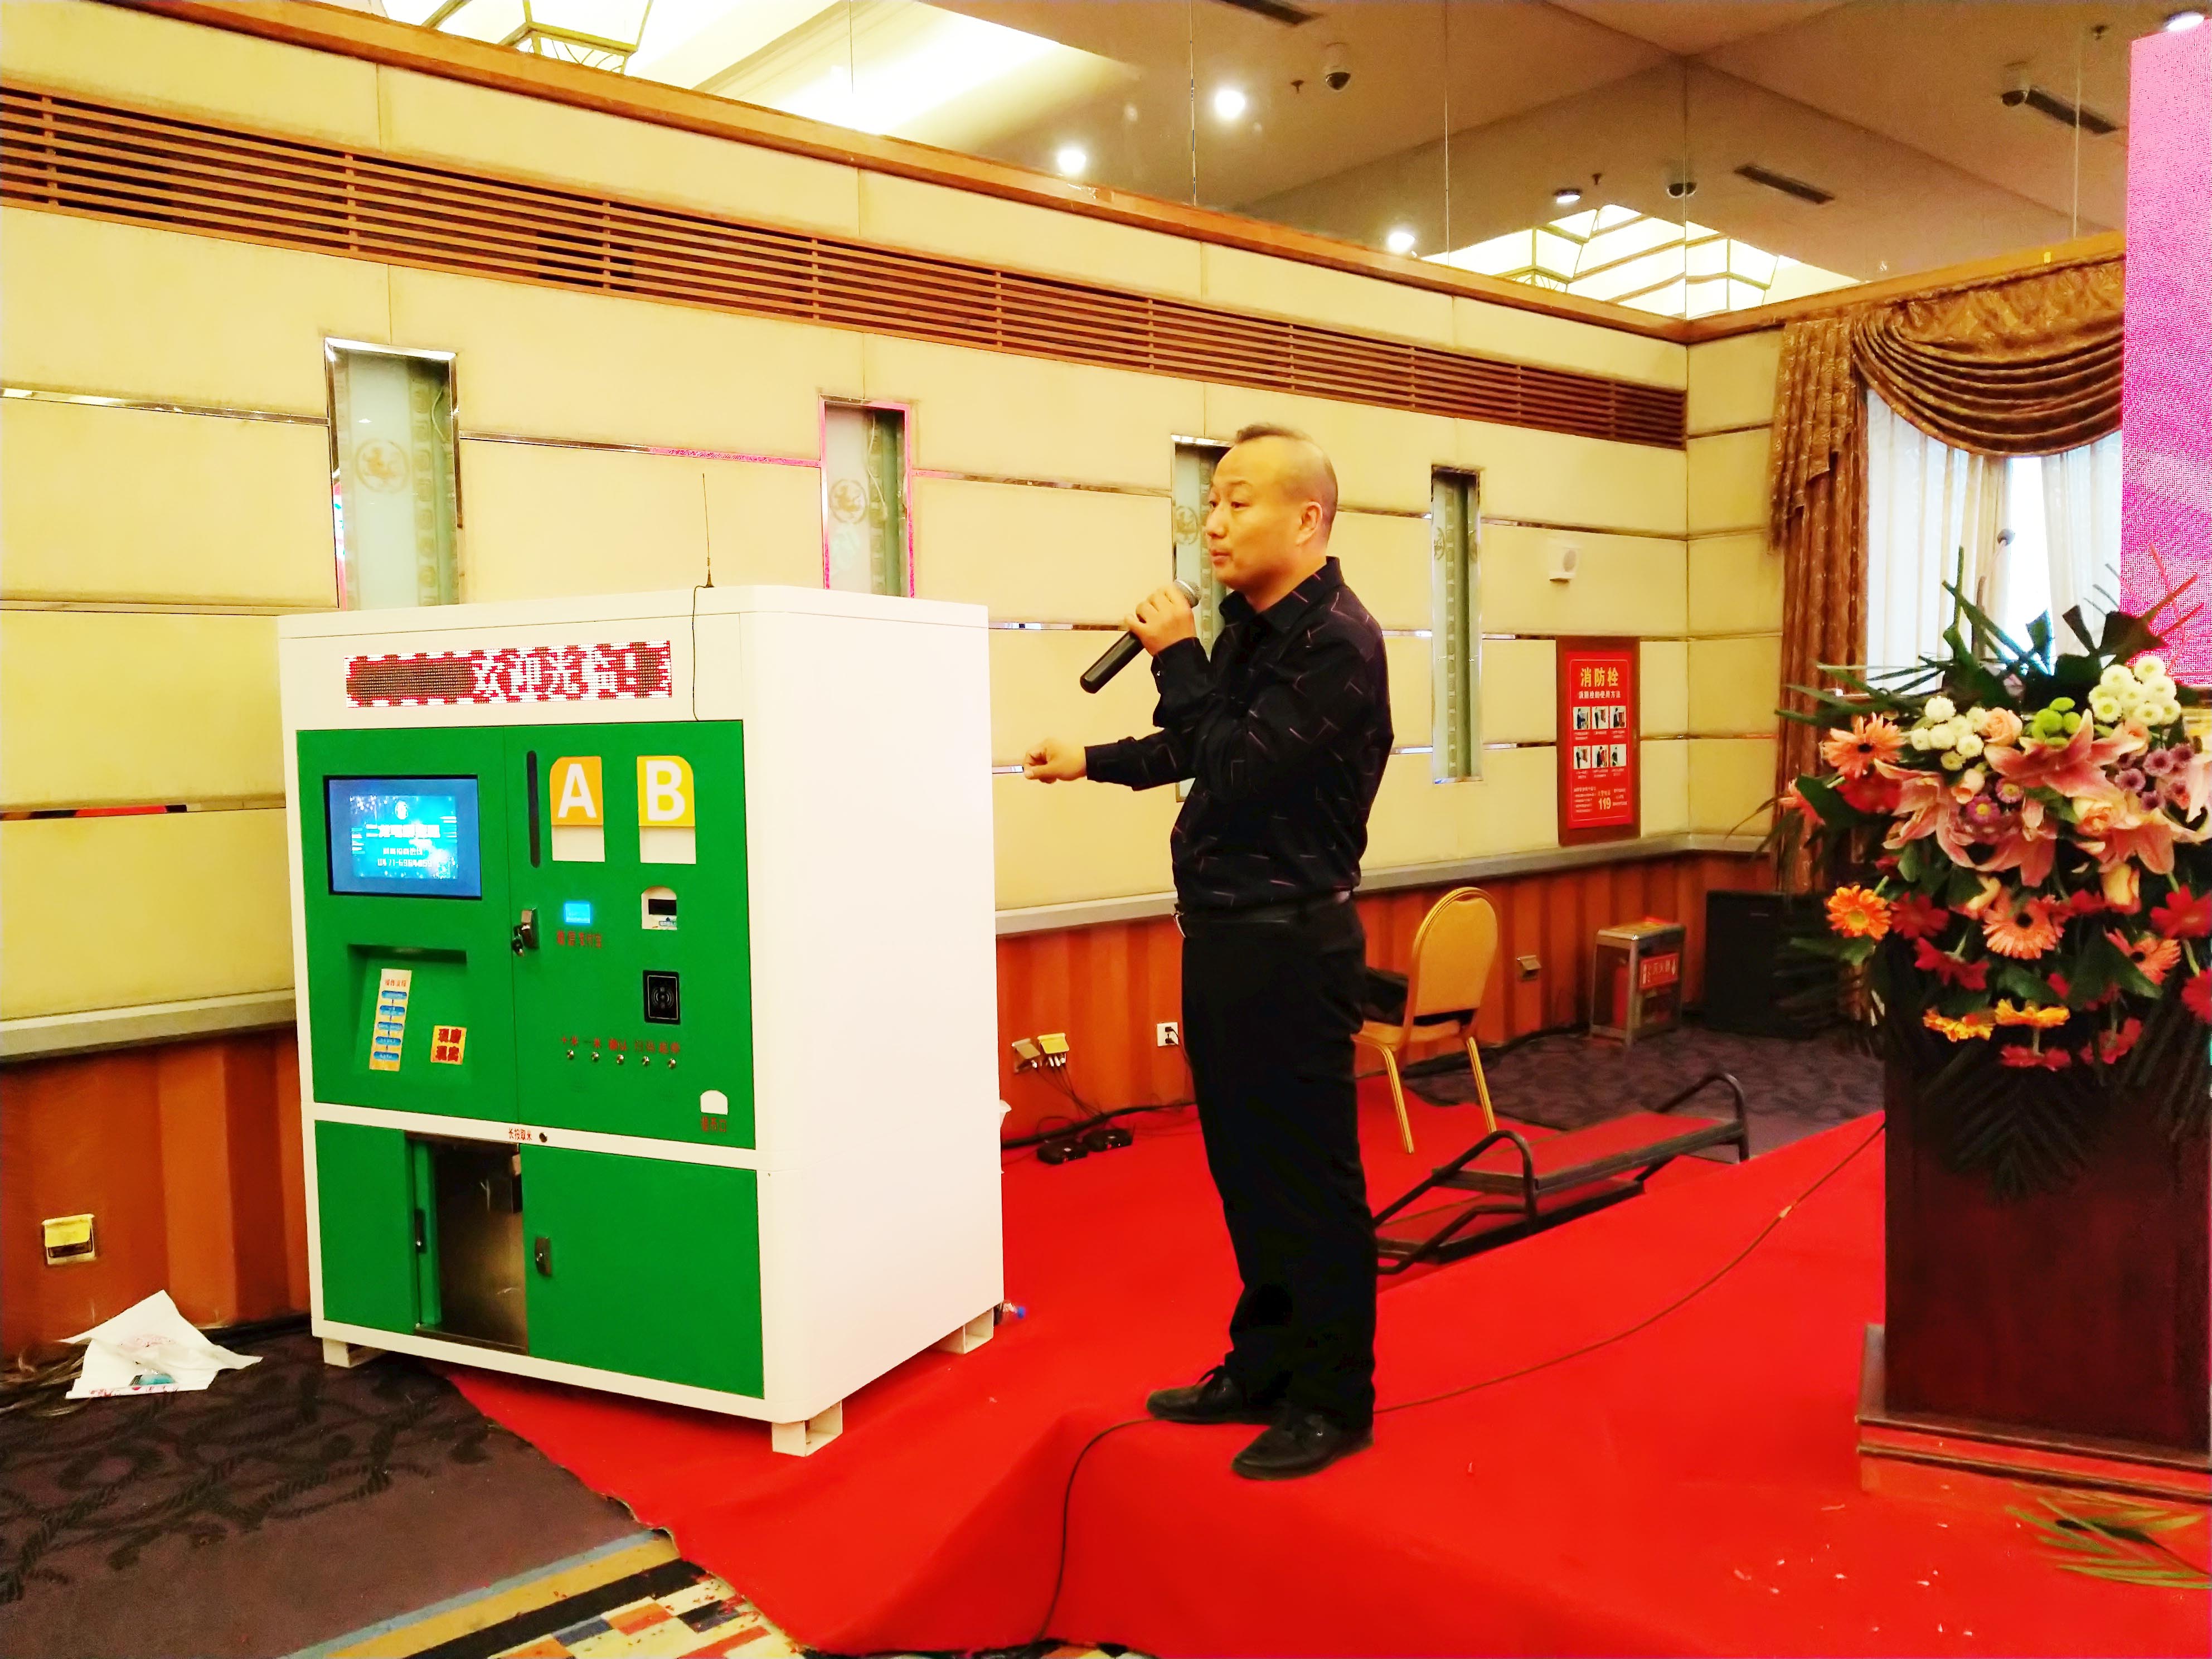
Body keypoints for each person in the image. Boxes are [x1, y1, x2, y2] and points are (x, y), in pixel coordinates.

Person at [1025, 424, 1391, 1480]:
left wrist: (1176, 652)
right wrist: (1091, 758)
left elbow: (1235, 770)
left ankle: (1333, 1398)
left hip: (1293, 945)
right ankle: (1264, 1366)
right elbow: (1197, 742)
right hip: (1227, 939)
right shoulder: (1252, 630)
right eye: (1211, 504)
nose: (1214, 524)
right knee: (1244, 1171)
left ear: (1308, 520)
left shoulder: (1340, 644)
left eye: (1238, 502)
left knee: (1308, 1180)